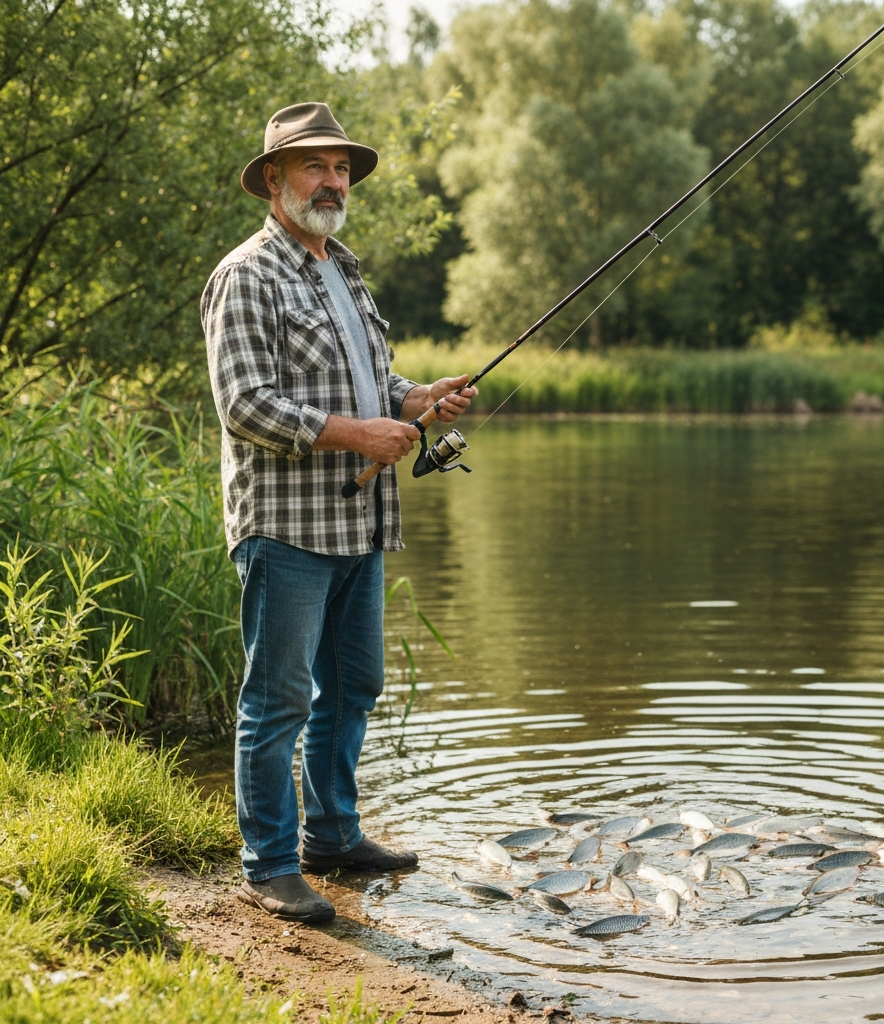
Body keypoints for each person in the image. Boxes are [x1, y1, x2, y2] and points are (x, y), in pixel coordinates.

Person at [202, 102, 477, 924]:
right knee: (278, 698)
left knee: (353, 687)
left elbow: (371, 384)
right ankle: (270, 865)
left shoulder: (343, 268)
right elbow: (244, 404)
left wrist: (417, 401)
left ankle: (333, 837)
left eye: (342, 169)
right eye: (315, 166)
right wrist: (357, 431)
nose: (332, 181)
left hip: (361, 525)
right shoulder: (246, 274)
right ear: (275, 180)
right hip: (286, 528)